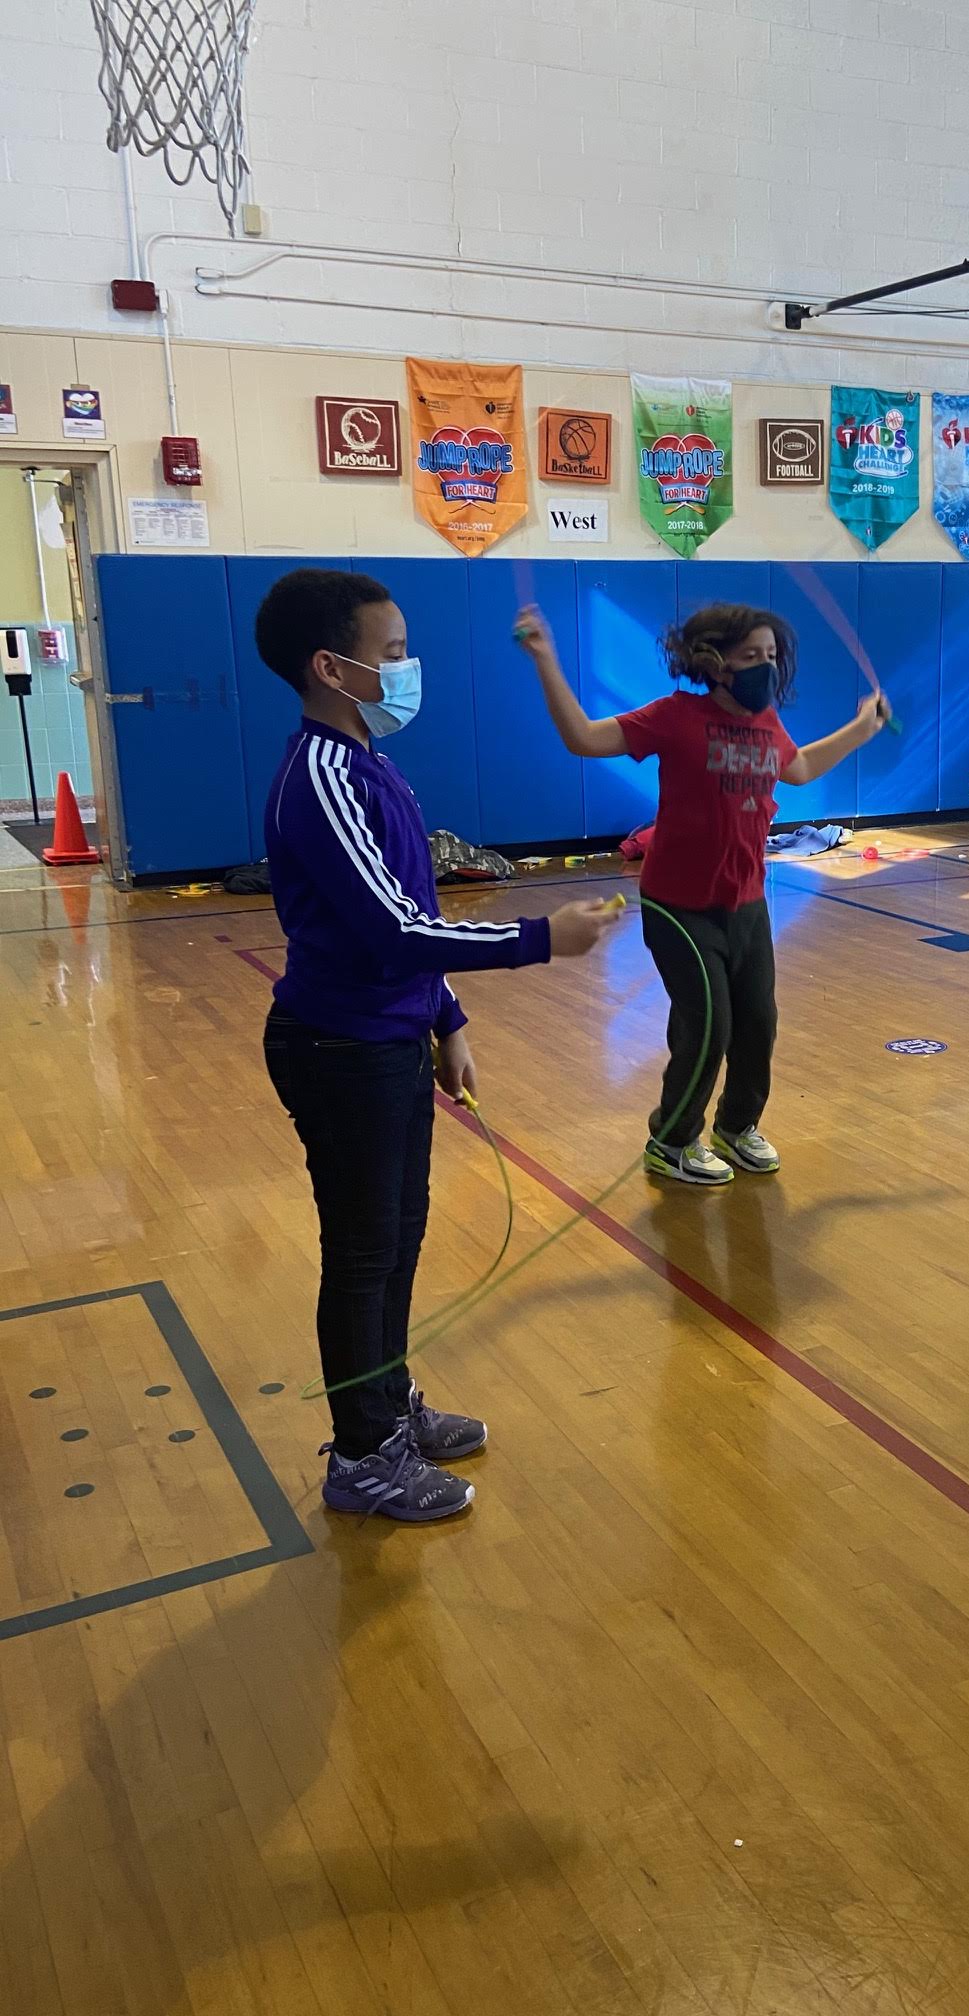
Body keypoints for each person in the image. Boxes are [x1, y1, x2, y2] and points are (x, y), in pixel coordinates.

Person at [255, 568, 621, 1522]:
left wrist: (446, 1020)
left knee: (396, 1237)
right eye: (391, 652)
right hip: (339, 1050)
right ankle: (361, 1455)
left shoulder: (371, 765)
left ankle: (387, 1404)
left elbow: (406, 909)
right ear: (331, 667)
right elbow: (393, 931)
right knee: (363, 1251)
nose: (406, 667)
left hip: (388, 1040)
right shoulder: (323, 776)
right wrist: (541, 938)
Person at [515, 600, 890, 1186]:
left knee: (758, 1023)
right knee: (708, 1024)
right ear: (715, 663)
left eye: (772, 655)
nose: (766, 666)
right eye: (751, 655)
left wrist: (861, 729)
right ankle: (671, 1140)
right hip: (678, 907)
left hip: (747, 904)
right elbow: (582, 737)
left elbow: (797, 767)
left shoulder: (766, 723)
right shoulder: (675, 716)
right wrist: (545, 659)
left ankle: (737, 1128)